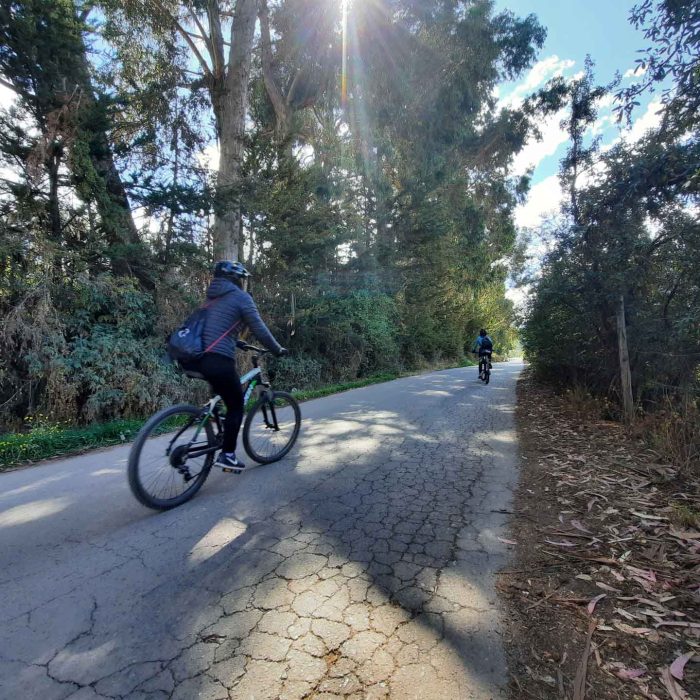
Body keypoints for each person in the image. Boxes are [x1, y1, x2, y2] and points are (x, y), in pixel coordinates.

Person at [187, 260, 287, 473]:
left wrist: (237, 342)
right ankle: (228, 455)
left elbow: (217, 329)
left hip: (195, 358)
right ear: (237, 280)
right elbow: (259, 328)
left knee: (221, 399)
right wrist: (277, 349)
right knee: (236, 407)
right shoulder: (241, 298)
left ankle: (215, 421)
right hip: (218, 360)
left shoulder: (211, 299)